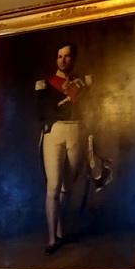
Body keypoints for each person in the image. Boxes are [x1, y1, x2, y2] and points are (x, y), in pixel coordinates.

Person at [35, 42, 111, 254]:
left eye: (67, 56)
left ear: (74, 58)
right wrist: (67, 100)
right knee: (53, 186)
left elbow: (92, 109)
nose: (63, 60)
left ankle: (60, 230)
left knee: (67, 187)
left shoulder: (85, 84)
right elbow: (42, 112)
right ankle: (52, 239)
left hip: (77, 132)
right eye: (59, 56)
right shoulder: (45, 84)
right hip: (54, 132)